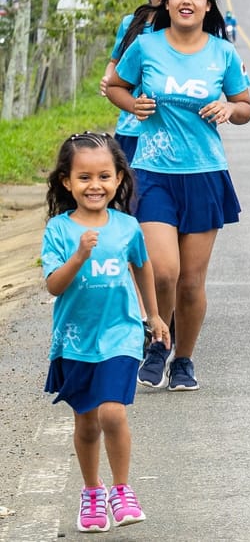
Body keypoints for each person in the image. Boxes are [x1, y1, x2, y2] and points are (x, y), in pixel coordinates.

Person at [106, 0, 250, 392]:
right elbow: (115, 86)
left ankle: (184, 360)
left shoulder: (221, 53)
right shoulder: (146, 47)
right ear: (166, 2)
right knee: (164, 272)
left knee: (191, 282)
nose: (186, 1)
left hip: (205, 175)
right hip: (152, 172)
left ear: (208, 4)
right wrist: (132, 105)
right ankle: (158, 339)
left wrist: (230, 110)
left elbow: (245, 106)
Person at [42, 132, 170, 532]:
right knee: (86, 423)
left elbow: (142, 266)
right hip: (76, 340)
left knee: (112, 412)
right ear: (67, 181)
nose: (94, 185)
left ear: (118, 180)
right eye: (84, 177)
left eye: (104, 176)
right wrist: (79, 254)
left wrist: (154, 315)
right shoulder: (59, 231)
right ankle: (92, 492)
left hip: (121, 335)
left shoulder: (128, 226)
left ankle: (121, 489)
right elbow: (54, 285)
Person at [100, 0, 184, 166]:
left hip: (173, 132)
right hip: (131, 130)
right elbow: (115, 62)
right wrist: (108, 78)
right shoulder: (130, 24)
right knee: (129, 196)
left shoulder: (187, 29)